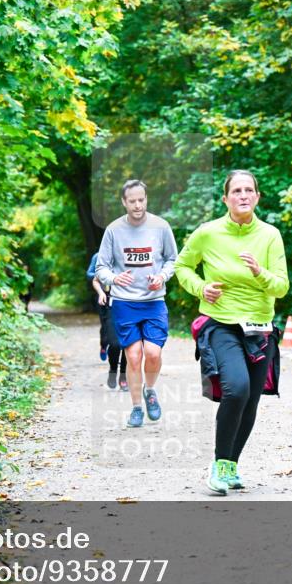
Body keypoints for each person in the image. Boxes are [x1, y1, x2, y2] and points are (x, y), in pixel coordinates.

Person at [175, 170, 289, 495]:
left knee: (251, 401)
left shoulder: (270, 235)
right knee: (236, 389)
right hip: (221, 323)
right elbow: (182, 267)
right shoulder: (207, 233)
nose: (243, 195)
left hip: (260, 328)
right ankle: (218, 464)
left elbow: (281, 287)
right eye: (236, 190)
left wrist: (259, 272)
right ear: (225, 198)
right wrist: (201, 288)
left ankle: (230, 466)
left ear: (257, 197)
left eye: (248, 190)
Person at [95, 180, 178, 427]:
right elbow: (101, 267)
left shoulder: (161, 227)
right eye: (132, 201)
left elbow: (172, 260)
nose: (137, 205)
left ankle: (149, 390)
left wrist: (162, 276)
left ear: (146, 198)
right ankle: (136, 408)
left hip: (153, 301)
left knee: (153, 353)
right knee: (133, 357)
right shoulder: (113, 230)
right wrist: (113, 278)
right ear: (124, 202)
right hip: (124, 302)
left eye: (141, 200)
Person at [86, 251, 128, 390]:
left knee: (128, 344)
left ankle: (123, 376)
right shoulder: (102, 258)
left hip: (131, 306)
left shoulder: (131, 259)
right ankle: (112, 370)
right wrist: (101, 293)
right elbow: (94, 279)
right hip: (110, 304)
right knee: (114, 344)